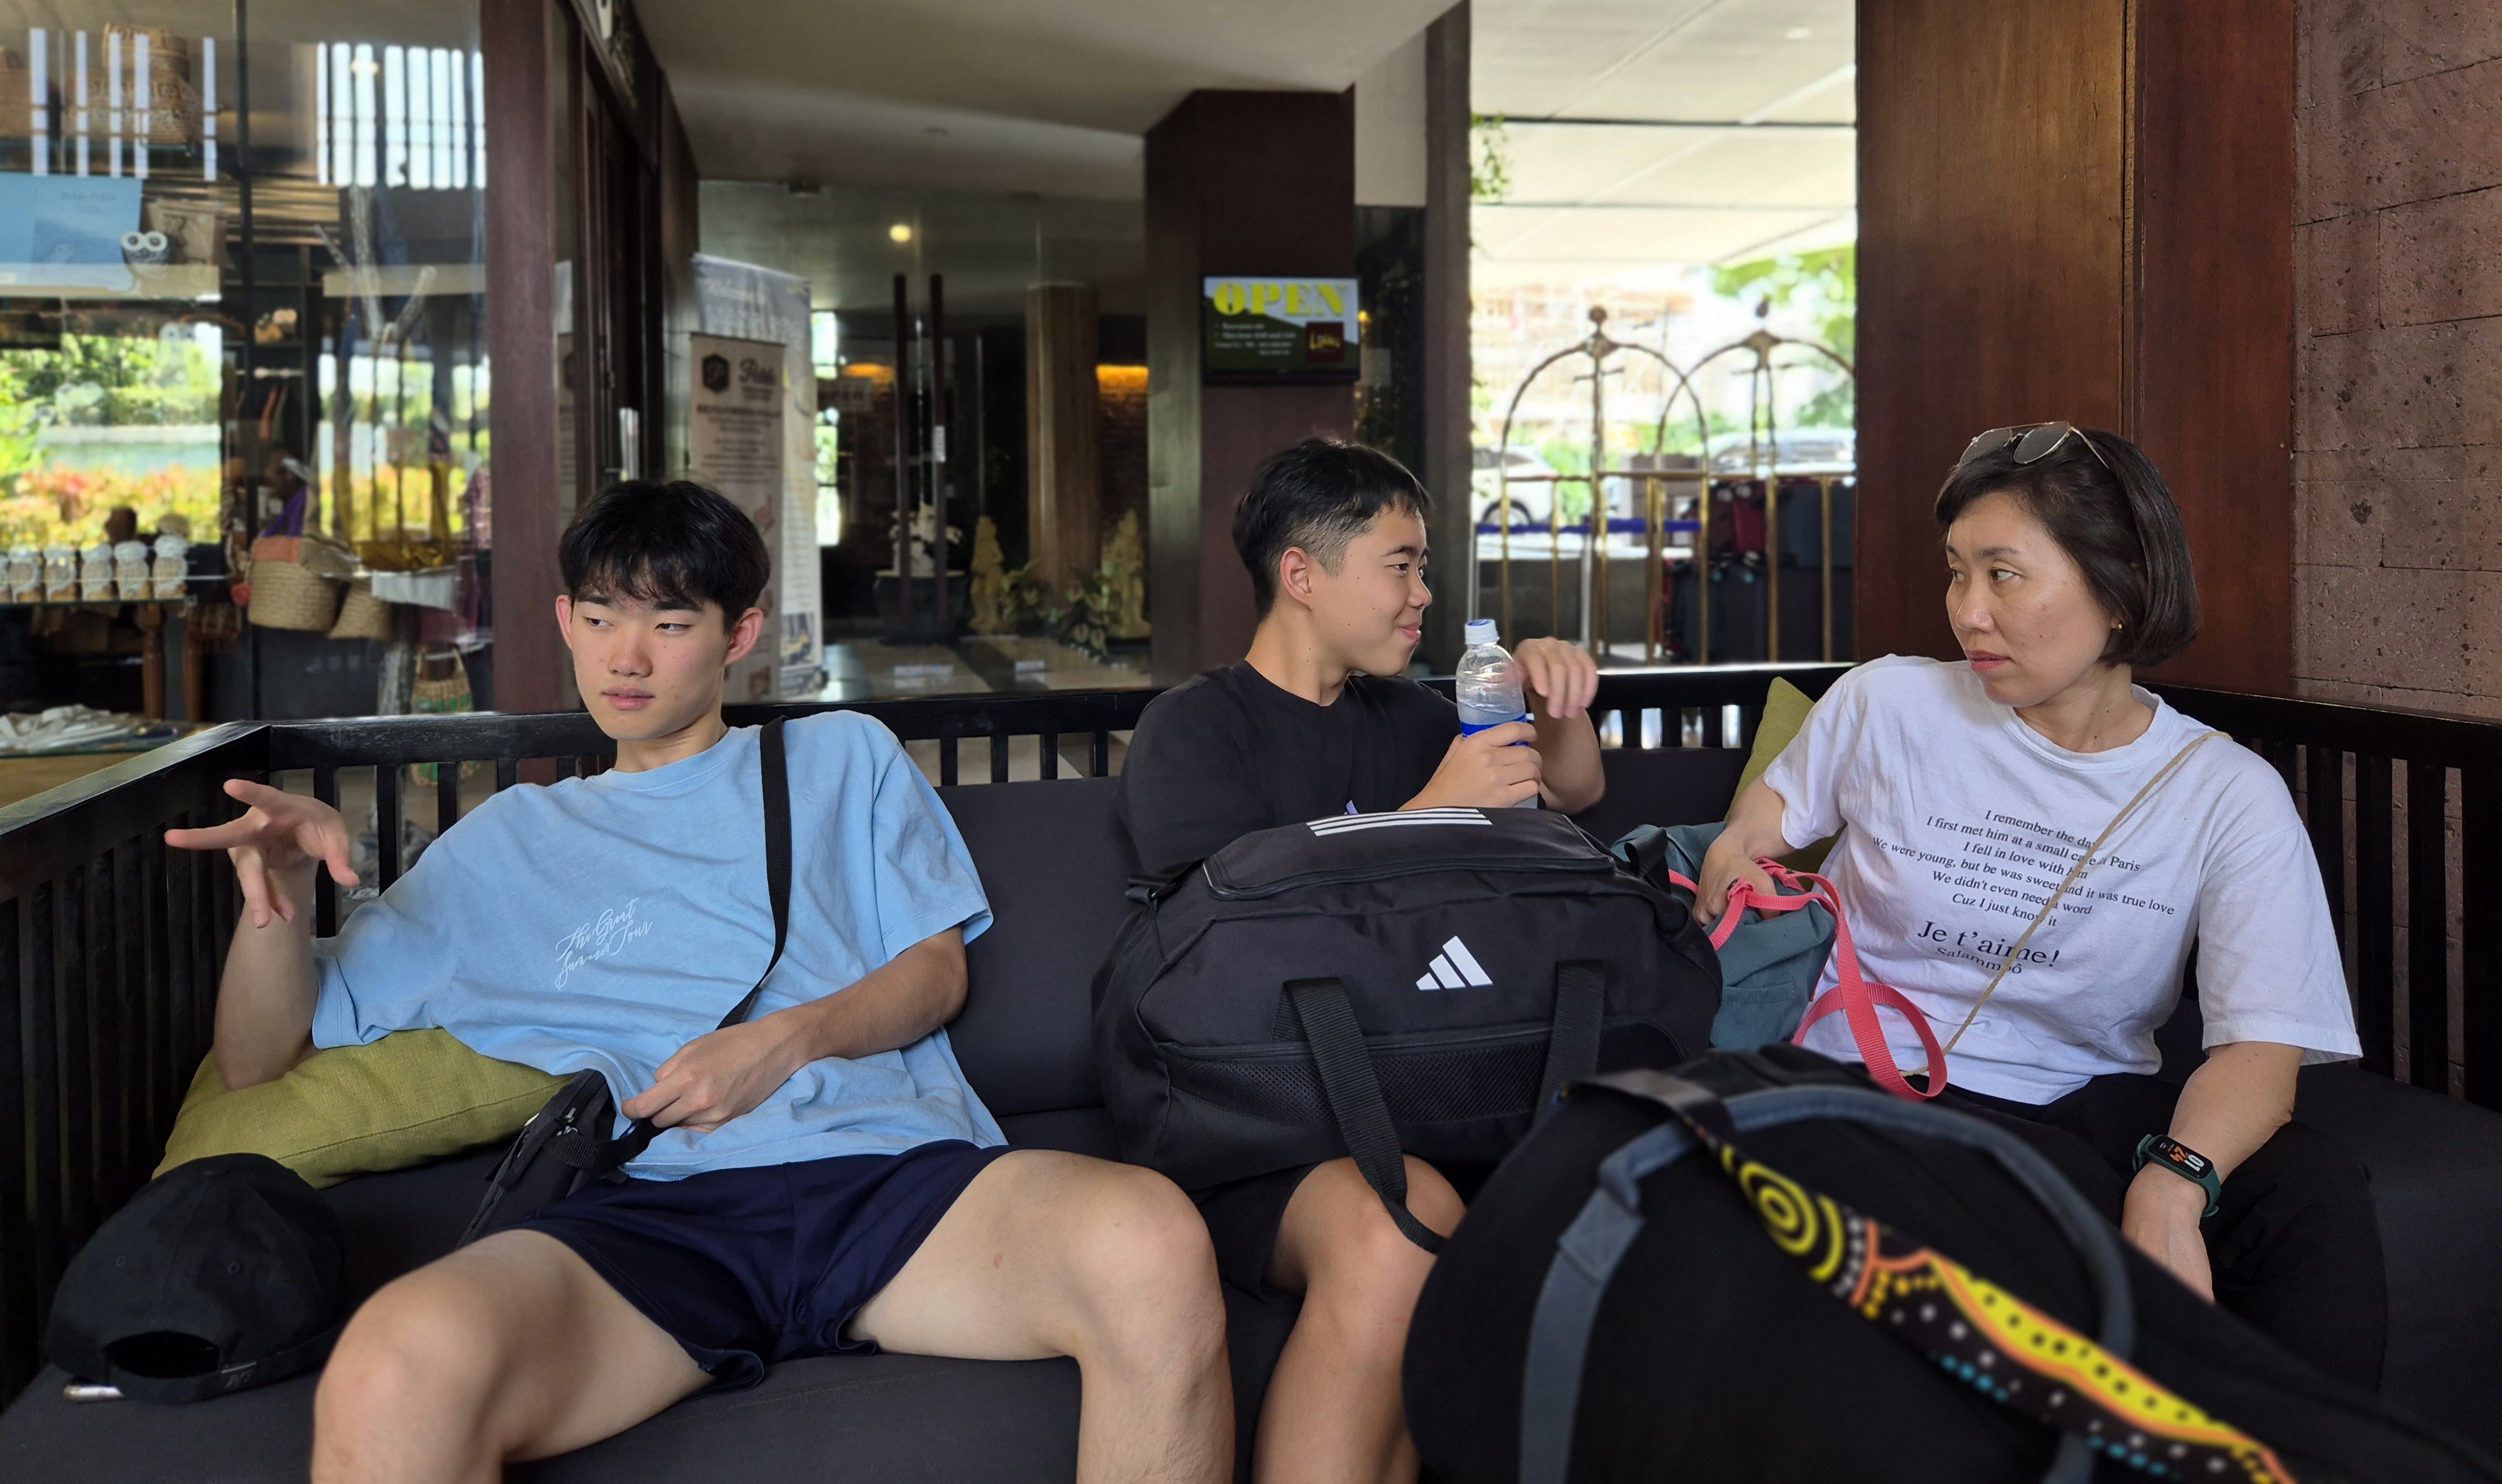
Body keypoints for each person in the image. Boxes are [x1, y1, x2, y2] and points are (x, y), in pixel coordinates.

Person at [169, 480, 1230, 1484]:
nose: (626, 658)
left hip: (894, 1181)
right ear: (565, 621)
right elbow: (258, 1060)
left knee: (1150, 1236)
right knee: (394, 1361)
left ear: (740, 634)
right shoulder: (503, 846)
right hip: (659, 1213)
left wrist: (783, 1042)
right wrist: (282, 892)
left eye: (670, 625)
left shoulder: (839, 760)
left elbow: (936, 973)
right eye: (600, 619)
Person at [1697, 423, 2381, 1385]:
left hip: (2078, 1096)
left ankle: (2312, 1450)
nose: (1968, 611)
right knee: (2049, 1196)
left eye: (2005, 575)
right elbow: (1754, 830)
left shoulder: (2225, 792)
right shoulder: (1888, 704)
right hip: (1868, 1079)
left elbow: (2261, 1051)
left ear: (2120, 588)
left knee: (2311, 1193)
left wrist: (2173, 1184)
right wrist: (1736, 860)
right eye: (1957, 573)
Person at [1117, 435, 1603, 1484]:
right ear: (1301, 573)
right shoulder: (1192, 730)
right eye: (1400, 566)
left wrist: (1556, 704)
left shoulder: (1418, 716)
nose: (1422, 595)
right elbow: (1226, 942)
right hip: (1255, 1123)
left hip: (1426, 1092)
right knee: (1403, 1224)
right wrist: (1427, 815)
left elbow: (1568, 799)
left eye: (1423, 567)